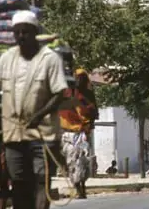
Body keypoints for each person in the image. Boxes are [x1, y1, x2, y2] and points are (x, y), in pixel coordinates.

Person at [0, 10, 68, 209]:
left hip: (43, 134)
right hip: (13, 135)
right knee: (19, 183)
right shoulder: (7, 58)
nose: (21, 36)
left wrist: (39, 116)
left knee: (41, 180)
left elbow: (59, 93)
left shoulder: (50, 58)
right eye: (18, 32)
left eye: (26, 32)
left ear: (35, 32)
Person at [58, 68, 98, 199]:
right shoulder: (66, 94)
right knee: (70, 162)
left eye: (82, 78)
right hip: (67, 134)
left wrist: (88, 127)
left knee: (82, 162)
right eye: (77, 78)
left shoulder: (88, 95)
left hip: (82, 134)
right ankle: (77, 187)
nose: (79, 80)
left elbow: (93, 113)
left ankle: (82, 187)